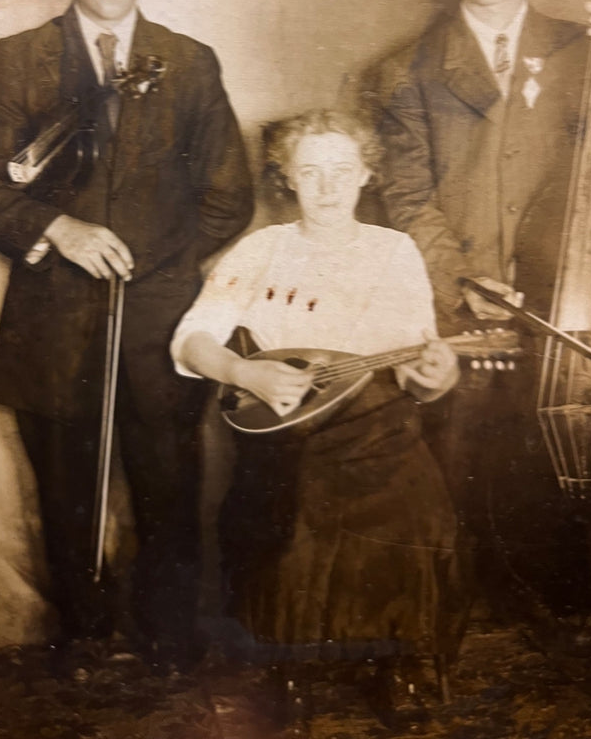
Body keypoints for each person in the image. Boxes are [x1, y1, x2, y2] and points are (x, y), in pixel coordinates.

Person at [0, 0, 254, 671]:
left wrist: (149, 271)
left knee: (169, 500)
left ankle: (172, 652)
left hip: (158, 332)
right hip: (51, 333)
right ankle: (85, 650)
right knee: (66, 498)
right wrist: (59, 229)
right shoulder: (19, 59)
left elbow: (228, 201)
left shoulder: (191, 63)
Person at [371, 0, 591, 607]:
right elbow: (406, 199)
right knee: (471, 510)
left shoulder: (588, 51)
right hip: (468, 313)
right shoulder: (403, 72)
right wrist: (461, 280)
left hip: (578, 316)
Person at [170, 108, 462, 728]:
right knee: (296, 510)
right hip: (292, 428)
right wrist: (247, 373)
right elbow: (192, 339)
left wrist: (437, 378)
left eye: (340, 170)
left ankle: (398, 662)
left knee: (418, 503)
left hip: (381, 423)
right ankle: (290, 670)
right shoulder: (262, 249)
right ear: (288, 180)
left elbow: (417, 364)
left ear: (365, 176)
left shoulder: (397, 249)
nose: (326, 187)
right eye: (310, 171)